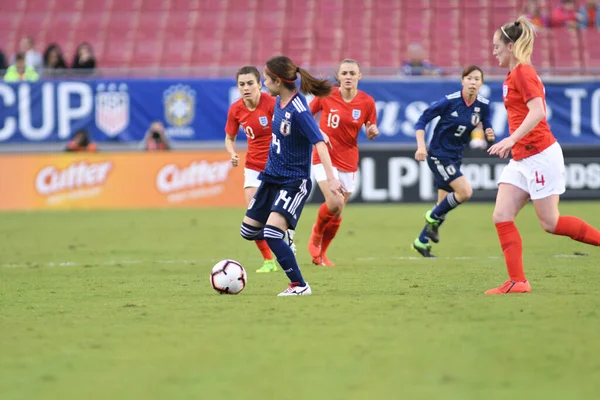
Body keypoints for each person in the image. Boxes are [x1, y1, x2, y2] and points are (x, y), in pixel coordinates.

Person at [487, 16, 600, 294]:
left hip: (540, 154)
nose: (494, 52)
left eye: (497, 46)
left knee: (550, 223)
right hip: (522, 157)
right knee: (501, 215)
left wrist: (511, 138)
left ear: (510, 46)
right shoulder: (513, 74)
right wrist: (513, 144)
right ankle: (518, 281)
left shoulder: (524, 73)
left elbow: (538, 112)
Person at [239, 56, 344, 296]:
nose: (263, 83)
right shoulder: (278, 102)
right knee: (247, 231)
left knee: (271, 233)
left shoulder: (298, 109)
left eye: (265, 79)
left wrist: (331, 178)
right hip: (271, 178)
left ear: (277, 80)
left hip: (292, 182)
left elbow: (318, 142)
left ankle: (299, 285)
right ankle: (284, 235)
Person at [411, 66, 494, 257]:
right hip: (439, 155)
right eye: (469, 78)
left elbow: (487, 127)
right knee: (464, 192)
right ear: (462, 81)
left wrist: (489, 133)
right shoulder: (449, 102)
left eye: (477, 79)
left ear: (481, 83)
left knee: (444, 205)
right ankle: (431, 216)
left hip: (456, 157)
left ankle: (421, 241)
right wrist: (421, 146)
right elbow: (422, 120)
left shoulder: (483, 105)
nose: (473, 82)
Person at [307, 59, 378, 267]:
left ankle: (323, 254)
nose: (348, 77)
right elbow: (306, 117)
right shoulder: (326, 94)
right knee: (335, 202)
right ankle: (315, 235)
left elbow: (371, 127)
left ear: (359, 76)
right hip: (324, 156)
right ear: (338, 76)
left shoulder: (367, 102)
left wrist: (372, 131)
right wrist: (317, 132)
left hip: (348, 159)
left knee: (338, 211)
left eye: (352, 73)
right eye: (344, 73)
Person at [225, 66, 281, 273]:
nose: (246, 88)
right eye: (242, 84)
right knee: (254, 213)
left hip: (277, 164)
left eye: (250, 83)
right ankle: (268, 261)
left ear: (259, 84)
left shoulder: (272, 103)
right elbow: (229, 138)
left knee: (276, 213)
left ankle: (286, 243)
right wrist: (232, 152)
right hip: (253, 166)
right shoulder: (235, 109)